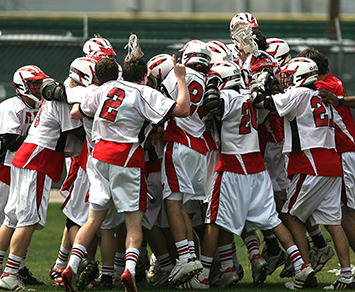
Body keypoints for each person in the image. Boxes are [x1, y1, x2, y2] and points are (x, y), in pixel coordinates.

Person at [61, 52, 190, 292]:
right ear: (144, 77)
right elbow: (183, 109)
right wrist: (181, 79)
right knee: (133, 222)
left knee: (93, 220)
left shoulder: (105, 89)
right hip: (126, 157)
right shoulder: (144, 92)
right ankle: (129, 271)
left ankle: (71, 266)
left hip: (98, 156)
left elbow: (77, 111)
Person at [250, 57, 355, 289]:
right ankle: (346, 275)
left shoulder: (298, 94)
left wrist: (256, 86)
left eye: (288, 75)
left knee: (290, 215)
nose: (285, 79)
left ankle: (303, 270)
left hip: (310, 163)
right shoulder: (320, 94)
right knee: (333, 221)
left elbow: (260, 103)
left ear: (301, 75)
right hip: (330, 163)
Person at [0, 65, 83, 291]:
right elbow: (76, 133)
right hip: (37, 160)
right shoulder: (61, 102)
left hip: (26, 159)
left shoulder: (48, 100)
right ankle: (10, 273)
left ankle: (4, 269)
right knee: (27, 219)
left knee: (13, 218)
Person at [160, 39, 211, 286]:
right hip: (198, 148)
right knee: (182, 207)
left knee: (172, 204)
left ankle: (183, 258)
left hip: (180, 143)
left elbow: (161, 101)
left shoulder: (180, 75)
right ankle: (190, 259)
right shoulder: (205, 79)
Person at [0, 65, 47, 287]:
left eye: (39, 83)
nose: (37, 87)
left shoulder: (42, 106)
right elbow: (9, 141)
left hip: (24, 168)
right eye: (33, 83)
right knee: (9, 219)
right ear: (21, 86)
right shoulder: (11, 106)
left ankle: (18, 267)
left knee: (19, 219)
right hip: (6, 168)